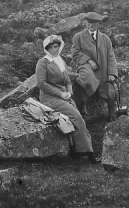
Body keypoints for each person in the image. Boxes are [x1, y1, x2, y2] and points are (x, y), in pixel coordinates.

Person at [36, 34, 100, 163]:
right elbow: (41, 84)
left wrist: (69, 93)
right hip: (50, 99)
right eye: (51, 47)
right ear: (46, 49)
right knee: (77, 117)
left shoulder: (60, 61)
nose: (54, 50)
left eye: (56, 46)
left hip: (63, 97)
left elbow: (67, 81)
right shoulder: (43, 63)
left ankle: (76, 152)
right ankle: (88, 153)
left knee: (74, 119)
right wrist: (61, 94)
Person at [70, 12, 119, 122]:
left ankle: (112, 114)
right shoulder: (78, 37)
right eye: (88, 22)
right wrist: (89, 61)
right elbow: (75, 53)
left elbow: (111, 56)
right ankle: (82, 113)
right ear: (85, 22)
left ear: (98, 24)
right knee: (79, 87)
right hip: (88, 72)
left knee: (111, 93)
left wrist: (112, 73)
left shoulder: (105, 38)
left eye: (93, 23)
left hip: (103, 73)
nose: (91, 25)